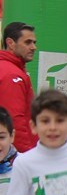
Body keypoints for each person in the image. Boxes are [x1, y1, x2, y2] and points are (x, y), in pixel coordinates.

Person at [0, 23, 37, 152]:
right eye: (28, 42)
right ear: (10, 43)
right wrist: (27, 153)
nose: (34, 47)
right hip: (16, 155)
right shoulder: (11, 74)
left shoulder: (11, 69)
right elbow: (14, 118)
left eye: (34, 42)